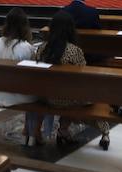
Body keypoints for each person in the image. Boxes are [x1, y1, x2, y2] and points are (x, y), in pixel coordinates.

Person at [32, 11, 88, 147]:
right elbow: (84, 76)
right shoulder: (74, 50)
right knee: (76, 90)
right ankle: (63, 129)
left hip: (44, 97)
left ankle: (38, 129)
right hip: (68, 98)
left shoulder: (42, 48)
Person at [0, 8, 39, 134]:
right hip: (19, 94)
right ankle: (33, 130)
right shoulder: (26, 47)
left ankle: (29, 128)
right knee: (41, 91)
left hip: (0, 93)